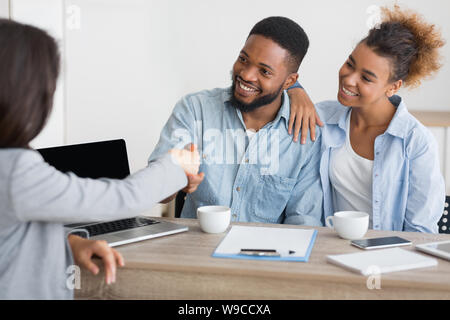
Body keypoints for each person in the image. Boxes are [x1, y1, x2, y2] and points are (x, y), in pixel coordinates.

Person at [0, 19, 200, 299]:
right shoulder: (13, 172)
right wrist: (175, 165)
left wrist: (69, 244)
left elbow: (11, 232)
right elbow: (123, 198)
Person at [149, 17, 323, 226]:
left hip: (265, 254)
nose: (246, 75)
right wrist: (174, 177)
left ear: (290, 81)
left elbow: (303, 221)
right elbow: (157, 193)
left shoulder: (305, 135)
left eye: (264, 71)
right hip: (195, 252)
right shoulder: (195, 109)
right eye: (243, 59)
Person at [291, 5, 446, 233]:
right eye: (350, 64)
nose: (349, 79)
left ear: (393, 87)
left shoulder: (416, 142)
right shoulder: (322, 118)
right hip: (330, 250)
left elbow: (421, 232)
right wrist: (295, 89)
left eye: (366, 77)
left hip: (390, 257)